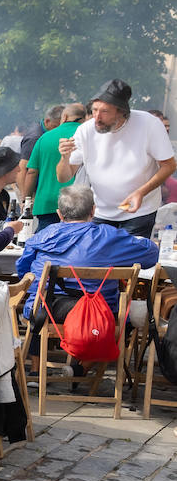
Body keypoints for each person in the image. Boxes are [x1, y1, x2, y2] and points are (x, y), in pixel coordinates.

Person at [16, 184, 158, 323]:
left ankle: (38, 346)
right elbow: (151, 255)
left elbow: (24, 273)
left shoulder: (41, 236)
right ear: (93, 211)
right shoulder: (108, 236)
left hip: (45, 311)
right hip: (100, 312)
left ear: (59, 213)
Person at [58, 79, 176, 239]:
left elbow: (169, 166)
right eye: (94, 110)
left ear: (121, 111)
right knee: (100, 261)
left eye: (104, 111)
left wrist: (141, 192)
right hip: (100, 210)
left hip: (140, 211)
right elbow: (64, 176)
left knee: (130, 262)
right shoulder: (85, 130)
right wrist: (64, 158)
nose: (97, 118)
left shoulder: (149, 124)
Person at [22, 103, 85, 229]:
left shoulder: (44, 138)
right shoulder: (87, 135)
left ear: (65, 117)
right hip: (78, 203)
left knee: (46, 244)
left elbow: (31, 172)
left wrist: (26, 199)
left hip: (46, 204)